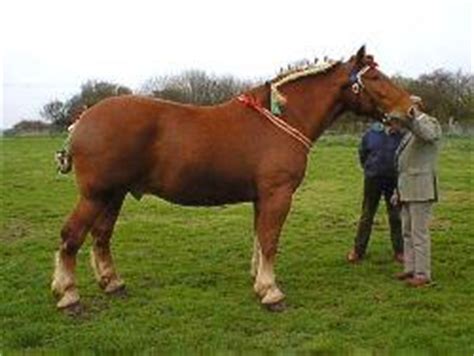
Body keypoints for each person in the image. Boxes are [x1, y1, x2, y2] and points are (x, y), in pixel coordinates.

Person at [391, 101, 442, 287]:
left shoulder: (429, 124)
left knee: (419, 234)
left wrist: (415, 117)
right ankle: (410, 268)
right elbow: (402, 165)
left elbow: (428, 135)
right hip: (407, 189)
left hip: (421, 189)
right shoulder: (410, 131)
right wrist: (398, 191)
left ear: (416, 106)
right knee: (407, 232)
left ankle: (422, 274)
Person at [347, 121, 404, 263]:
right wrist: (369, 168)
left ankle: (400, 251)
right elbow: (363, 153)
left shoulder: (402, 136)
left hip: (394, 179)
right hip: (373, 178)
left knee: (396, 216)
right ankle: (358, 250)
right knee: (367, 215)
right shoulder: (371, 133)